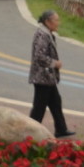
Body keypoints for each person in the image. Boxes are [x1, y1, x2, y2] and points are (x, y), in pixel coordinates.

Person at [29, 10, 74, 138]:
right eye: (56, 20)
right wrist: (55, 63)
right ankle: (30, 131)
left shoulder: (47, 33)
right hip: (42, 77)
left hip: (48, 77)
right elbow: (39, 56)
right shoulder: (42, 35)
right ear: (48, 22)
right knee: (39, 107)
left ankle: (61, 129)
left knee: (55, 102)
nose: (58, 23)